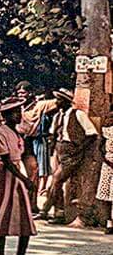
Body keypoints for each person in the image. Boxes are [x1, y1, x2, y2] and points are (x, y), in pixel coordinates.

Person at [0, 97, 38, 255]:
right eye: (14, 112)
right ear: (6, 115)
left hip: (18, 172)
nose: (19, 115)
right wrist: (24, 179)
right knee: (2, 214)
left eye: (20, 111)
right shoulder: (0, 132)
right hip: (7, 175)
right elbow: (7, 160)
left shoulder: (17, 132)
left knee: (25, 216)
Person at [38, 89, 99, 223]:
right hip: (59, 150)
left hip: (72, 152)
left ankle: (45, 210)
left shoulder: (78, 114)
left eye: (59, 100)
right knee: (56, 182)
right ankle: (59, 213)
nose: (57, 102)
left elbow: (92, 134)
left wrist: (78, 149)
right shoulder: (57, 116)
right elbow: (52, 133)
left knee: (56, 179)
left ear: (66, 101)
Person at [97, 117, 113, 234]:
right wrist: (106, 160)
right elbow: (100, 148)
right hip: (108, 164)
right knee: (105, 195)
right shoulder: (107, 131)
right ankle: (109, 222)